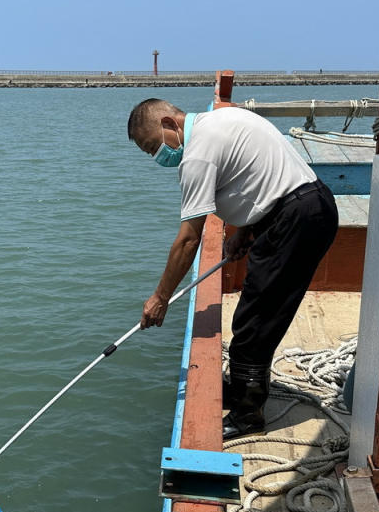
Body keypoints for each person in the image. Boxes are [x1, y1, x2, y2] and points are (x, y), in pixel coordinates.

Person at [127, 99, 338, 439]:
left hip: (296, 219)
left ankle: (248, 414)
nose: (158, 156)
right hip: (302, 208)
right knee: (257, 311)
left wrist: (160, 297)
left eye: (154, 146)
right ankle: (242, 388)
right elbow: (260, 175)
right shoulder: (223, 119)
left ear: (169, 123)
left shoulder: (197, 152)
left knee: (255, 319)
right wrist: (245, 230)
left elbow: (188, 240)